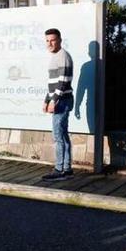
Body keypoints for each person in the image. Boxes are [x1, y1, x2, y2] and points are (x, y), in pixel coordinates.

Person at [41, 28, 74, 181]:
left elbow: (63, 82)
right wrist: (46, 100)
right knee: (63, 134)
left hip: (62, 101)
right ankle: (66, 169)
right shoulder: (54, 57)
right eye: (47, 40)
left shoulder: (63, 56)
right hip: (59, 100)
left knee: (58, 135)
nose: (50, 43)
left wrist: (54, 101)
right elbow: (52, 84)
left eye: (53, 40)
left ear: (60, 40)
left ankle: (59, 169)